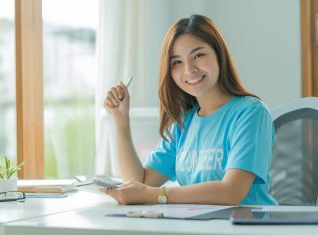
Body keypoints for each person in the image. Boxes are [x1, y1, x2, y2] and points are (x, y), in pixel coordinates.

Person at [102, 14, 277, 207]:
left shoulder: (251, 113)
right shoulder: (183, 123)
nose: (189, 69)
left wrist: (155, 195)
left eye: (198, 55)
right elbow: (138, 185)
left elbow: (231, 192)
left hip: (247, 231)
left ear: (219, 54)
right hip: (196, 230)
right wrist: (121, 120)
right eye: (177, 62)